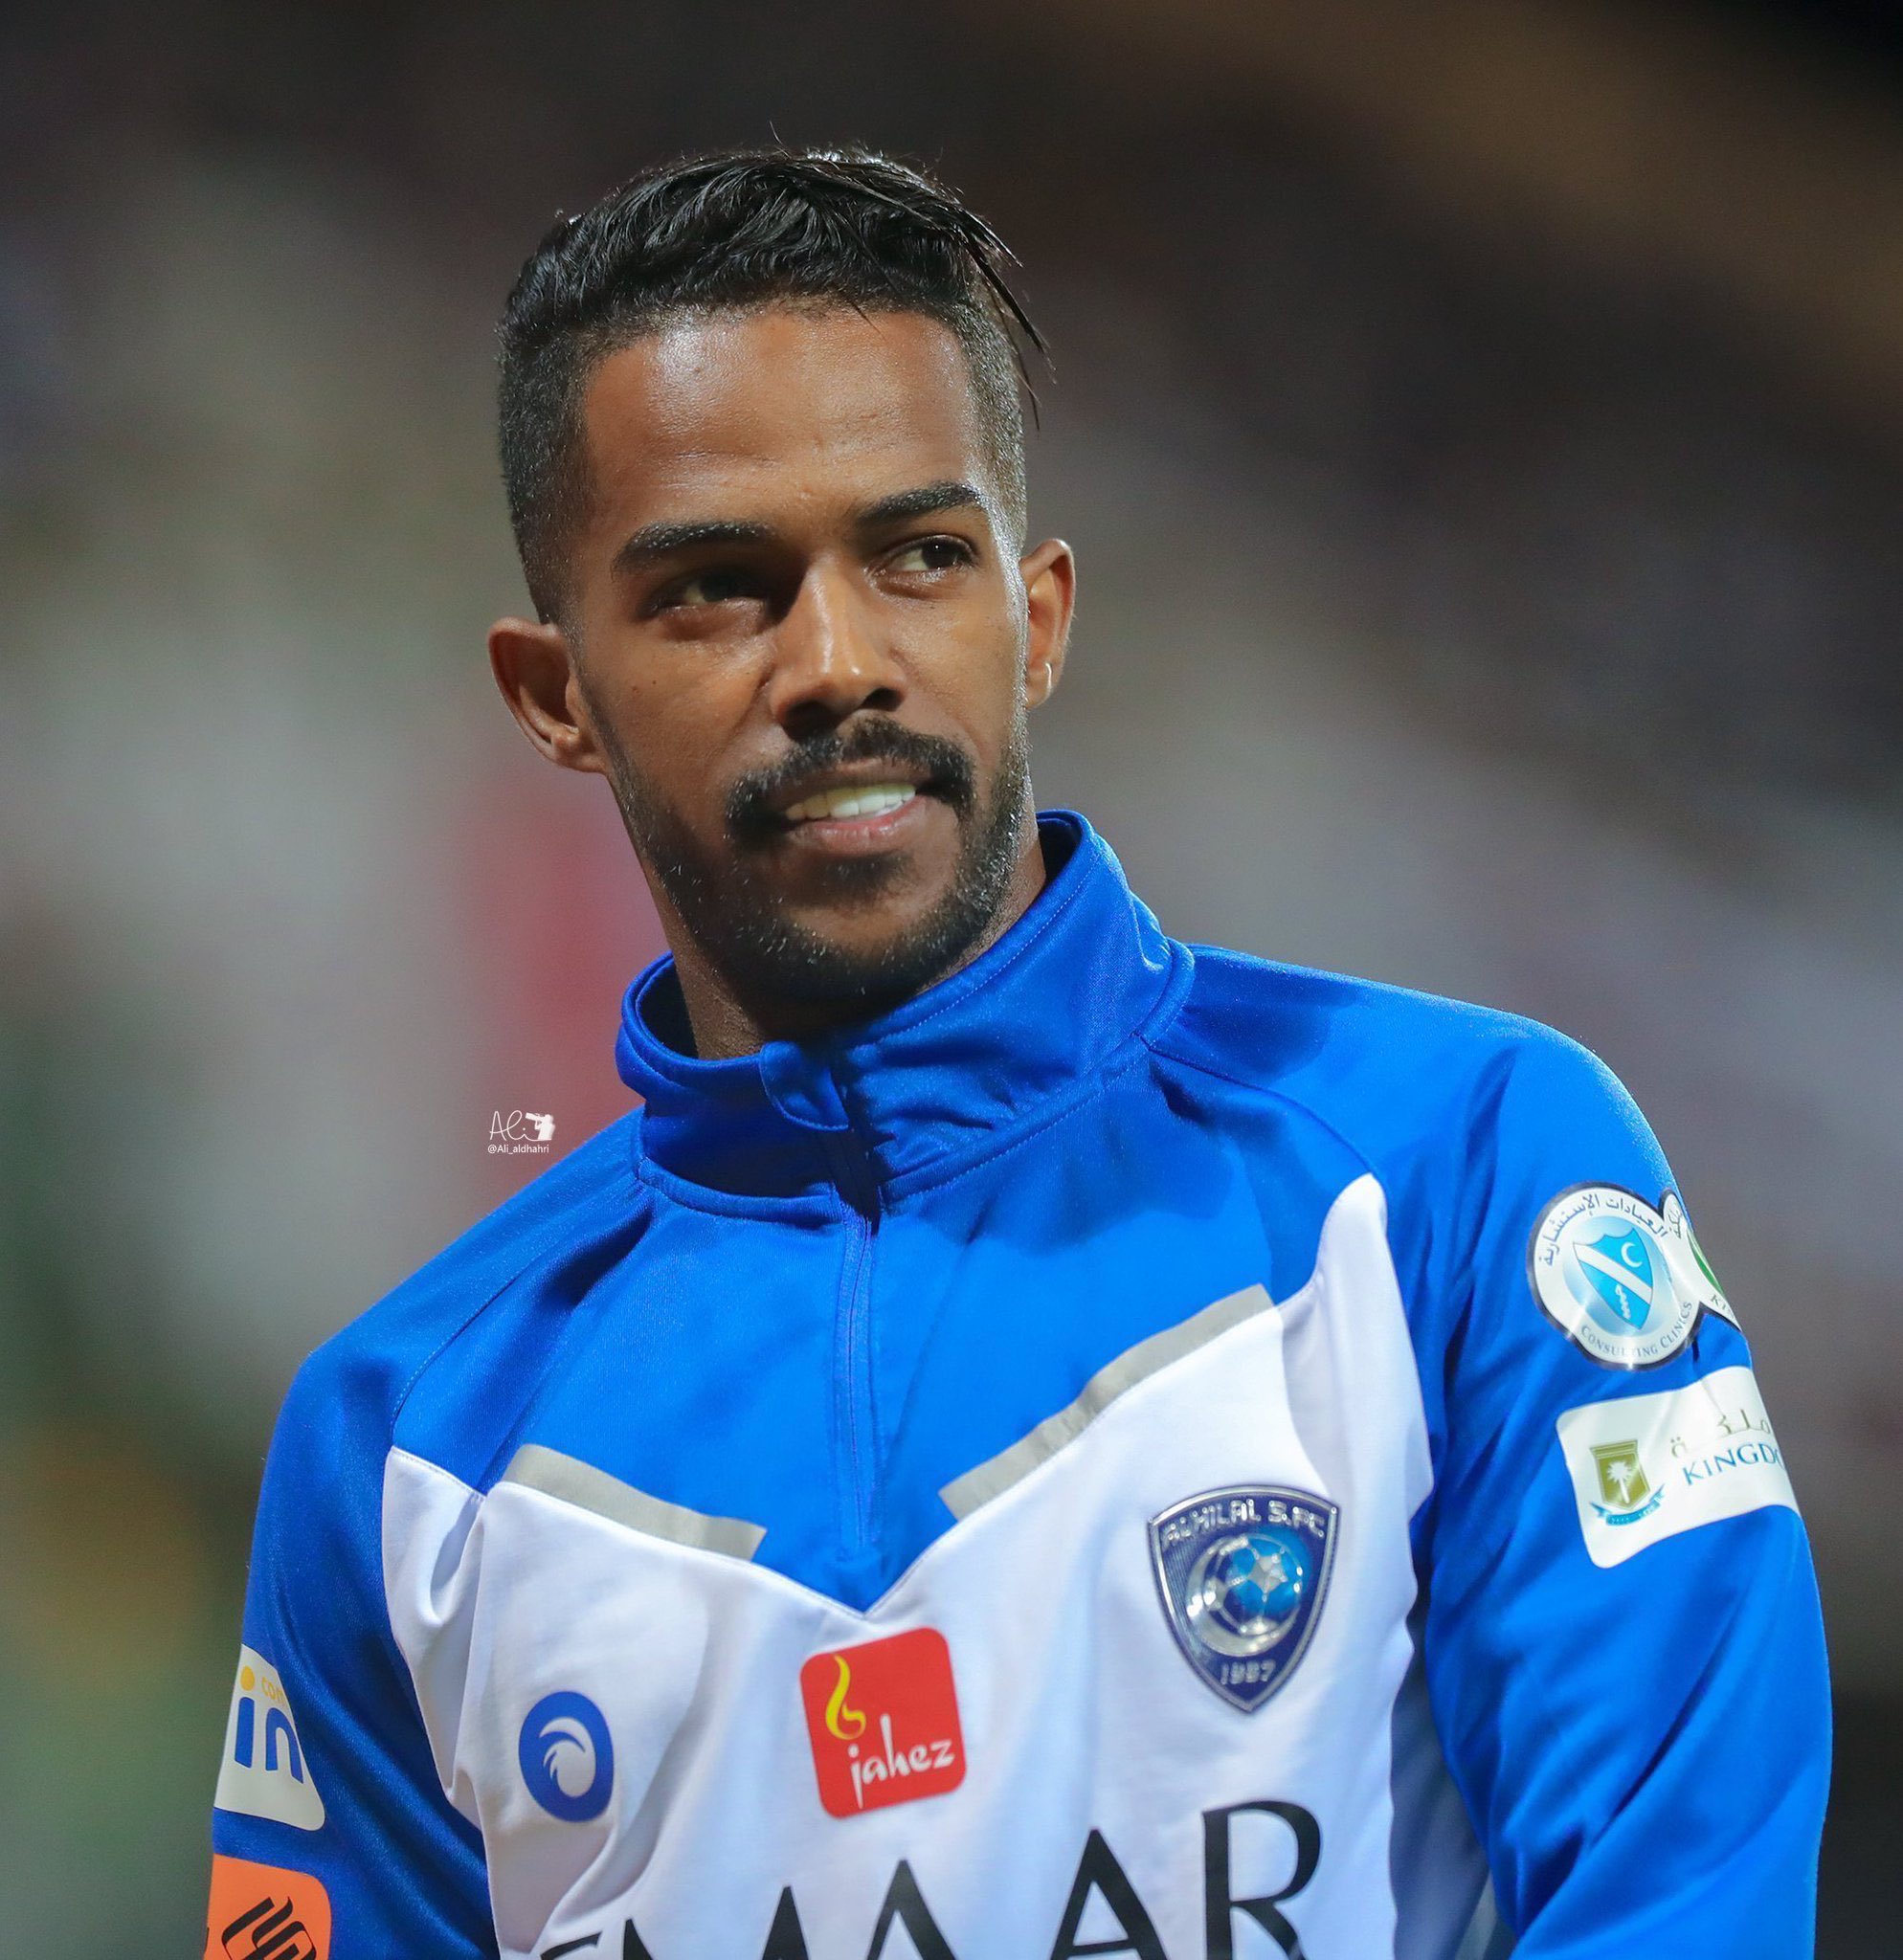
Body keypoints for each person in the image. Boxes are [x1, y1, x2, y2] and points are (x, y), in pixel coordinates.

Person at [203, 147, 1829, 1960]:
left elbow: (1683, 1893)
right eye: (720, 587)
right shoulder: (402, 1452)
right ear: (554, 694)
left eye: (918, 556)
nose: (838, 662)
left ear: (1035, 617)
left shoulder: (1462, 1174)